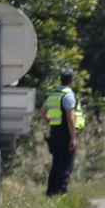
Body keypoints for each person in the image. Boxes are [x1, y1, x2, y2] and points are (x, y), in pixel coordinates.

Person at [44, 67, 81, 196]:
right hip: (65, 133)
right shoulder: (68, 95)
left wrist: (51, 121)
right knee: (66, 164)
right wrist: (73, 138)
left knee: (56, 163)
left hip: (54, 131)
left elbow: (42, 112)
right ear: (72, 81)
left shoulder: (54, 94)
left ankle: (51, 191)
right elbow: (70, 117)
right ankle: (61, 191)